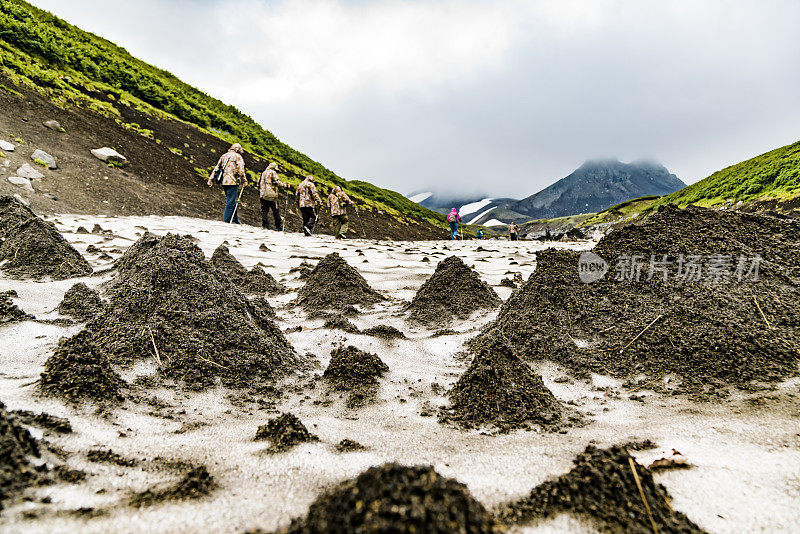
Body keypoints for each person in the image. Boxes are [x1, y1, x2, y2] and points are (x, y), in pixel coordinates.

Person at [208, 143, 247, 224]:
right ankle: (226, 221)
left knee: (231, 200)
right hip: (233, 181)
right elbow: (241, 170)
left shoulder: (224, 156)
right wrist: (244, 180)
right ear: (237, 149)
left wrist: (211, 179)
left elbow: (216, 168)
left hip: (224, 181)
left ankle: (235, 220)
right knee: (230, 201)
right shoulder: (238, 157)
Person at [259, 162, 287, 230]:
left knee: (264, 210)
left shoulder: (263, 173)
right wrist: (285, 185)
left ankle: (265, 225)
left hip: (263, 193)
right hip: (271, 194)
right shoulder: (272, 172)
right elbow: (277, 182)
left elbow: (258, 182)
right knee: (275, 210)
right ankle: (278, 226)